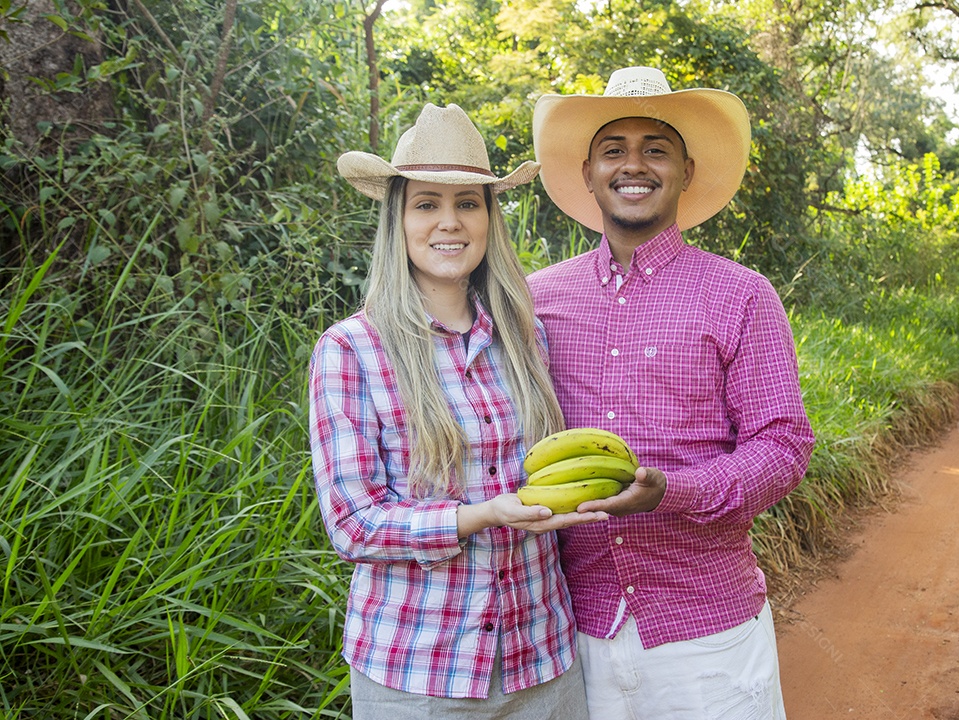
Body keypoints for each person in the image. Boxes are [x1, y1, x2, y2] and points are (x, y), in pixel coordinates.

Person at [527, 67, 816, 719]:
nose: (635, 165)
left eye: (655, 149)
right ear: (589, 173)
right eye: (614, 149)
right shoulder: (538, 298)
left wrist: (674, 492)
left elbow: (783, 446)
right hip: (575, 626)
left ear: (685, 170)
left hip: (706, 631)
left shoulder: (742, 295)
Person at [309, 103, 600, 719]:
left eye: (468, 202)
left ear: (490, 217)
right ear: (398, 218)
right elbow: (353, 523)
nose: (450, 222)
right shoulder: (352, 348)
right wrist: (481, 515)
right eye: (426, 204)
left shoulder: (526, 338)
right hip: (418, 670)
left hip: (542, 659)